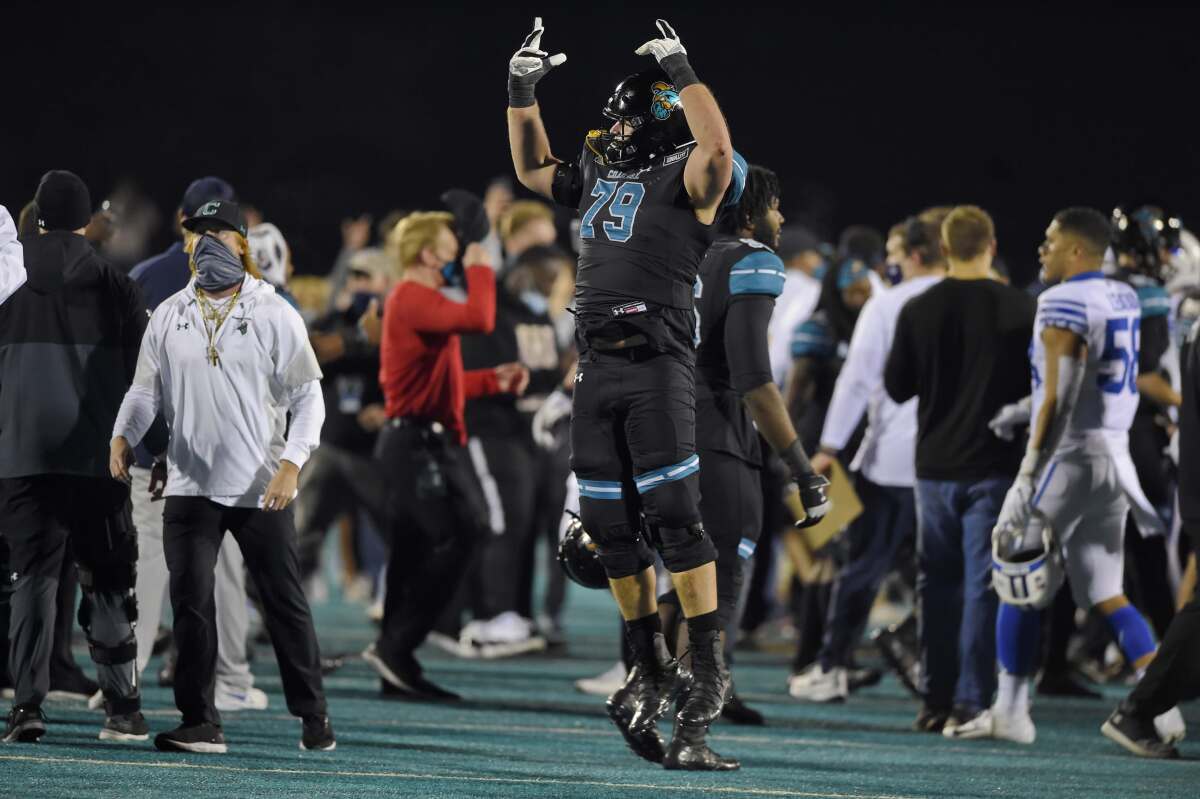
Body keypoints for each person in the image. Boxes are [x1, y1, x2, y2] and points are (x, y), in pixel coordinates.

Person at [508, 16, 825, 770]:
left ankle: (707, 668)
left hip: (658, 367)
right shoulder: (601, 172)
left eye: (626, 117)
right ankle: (649, 660)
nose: (612, 129)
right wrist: (519, 90)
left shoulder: (690, 178)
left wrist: (684, 71)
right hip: (597, 368)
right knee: (613, 532)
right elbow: (531, 168)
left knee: (679, 522)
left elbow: (715, 147)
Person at [952, 207, 1184, 745]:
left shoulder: (1062, 299)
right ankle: (1162, 708)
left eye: (1051, 240)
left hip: (1071, 458)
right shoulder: (1120, 294)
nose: (1042, 249)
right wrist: (1023, 408)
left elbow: (1061, 393)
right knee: (1106, 588)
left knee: (1016, 573)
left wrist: (1027, 475)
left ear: (1077, 250)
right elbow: (1090, 381)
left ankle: (1010, 710)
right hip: (1114, 457)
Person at [111, 198, 335, 754]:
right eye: (197, 234)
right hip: (189, 486)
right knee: (190, 606)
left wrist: (291, 463)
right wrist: (123, 434)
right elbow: (145, 391)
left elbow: (309, 398)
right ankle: (200, 721)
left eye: (219, 233)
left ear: (243, 243)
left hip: (261, 487)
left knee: (283, 604)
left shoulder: (274, 310)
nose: (206, 242)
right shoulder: (168, 313)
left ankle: (314, 717)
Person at [1, 171, 153, 744]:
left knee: (32, 581)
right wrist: (156, 448)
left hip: (21, 453)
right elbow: (145, 379)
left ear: (36, 216)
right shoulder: (117, 284)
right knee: (108, 580)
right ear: (88, 221)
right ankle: (123, 709)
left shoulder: (7, 277)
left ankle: (27, 707)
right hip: (98, 457)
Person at [675, 163, 829, 726]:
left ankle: (668, 682)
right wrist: (801, 465)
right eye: (774, 205)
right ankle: (701, 698)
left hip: (664, 422)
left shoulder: (682, 251)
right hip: (718, 432)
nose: (781, 217)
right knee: (725, 570)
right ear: (749, 208)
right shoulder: (752, 259)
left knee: (681, 568)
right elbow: (754, 380)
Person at [360, 211, 528, 701]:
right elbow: (480, 317)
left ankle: (397, 663)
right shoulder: (413, 296)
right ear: (429, 254)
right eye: (452, 250)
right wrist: (480, 267)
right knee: (465, 531)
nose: (458, 256)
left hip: (416, 440)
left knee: (412, 552)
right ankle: (396, 645)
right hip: (415, 445)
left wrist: (489, 381)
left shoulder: (416, 300)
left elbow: (436, 383)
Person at [884, 205, 1036, 734]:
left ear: (945, 249)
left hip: (933, 466)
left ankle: (935, 698)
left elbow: (897, 386)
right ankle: (972, 700)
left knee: (935, 584)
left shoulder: (919, 309)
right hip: (994, 466)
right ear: (991, 246)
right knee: (981, 585)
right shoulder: (1021, 308)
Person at [789, 212, 946, 702]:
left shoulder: (889, 304)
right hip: (960, 460)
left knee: (864, 565)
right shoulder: (979, 298)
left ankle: (832, 665)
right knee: (950, 572)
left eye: (896, 256)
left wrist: (829, 447)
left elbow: (858, 380)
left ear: (915, 255)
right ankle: (952, 682)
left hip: (894, 459)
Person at [124, 178, 264, 712]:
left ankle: (125, 679)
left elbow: (129, 376)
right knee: (223, 565)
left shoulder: (142, 277)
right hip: (213, 454)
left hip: (164, 451)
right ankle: (228, 678)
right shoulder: (250, 287)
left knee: (151, 561)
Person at [457, 244, 573, 657]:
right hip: (492, 430)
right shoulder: (492, 315)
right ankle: (487, 617)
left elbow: (544, 372)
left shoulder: (538, 314)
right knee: (502, 521)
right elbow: (497, 377)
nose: (548, 286)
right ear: (522, 272)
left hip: (528, 436)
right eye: (543, 276)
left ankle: (515, 614)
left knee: (525, 525)